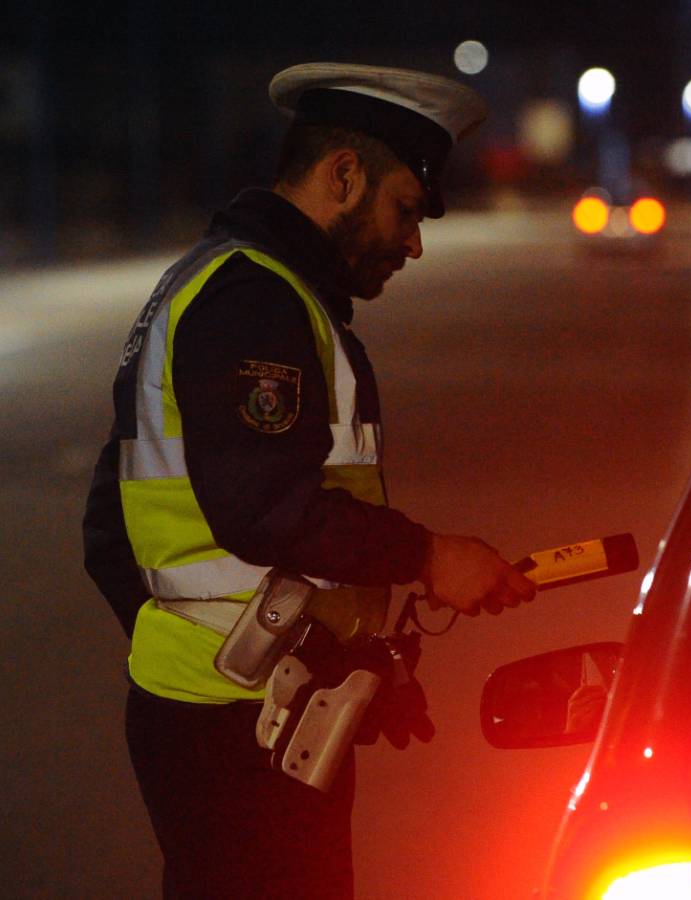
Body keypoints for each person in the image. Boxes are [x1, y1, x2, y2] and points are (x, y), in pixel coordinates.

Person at [82, 63, 536, 899]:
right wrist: (429, 557)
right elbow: (267, 509)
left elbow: (111, 528)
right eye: (406, 209)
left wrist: (337, 656)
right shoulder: (253, 302)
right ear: (343, 176)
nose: (414, 242)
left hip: (238, 716)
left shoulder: (248, 291)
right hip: (235, 728)